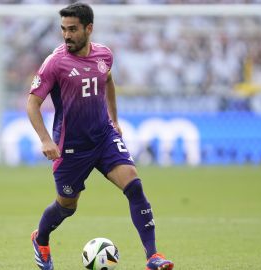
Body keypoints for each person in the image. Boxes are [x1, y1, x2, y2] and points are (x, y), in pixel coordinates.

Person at [26, 3, 174, 270]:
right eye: (63, 29)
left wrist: (114, 119)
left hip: (103, 137)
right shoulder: (55, 63)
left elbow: (108, 81)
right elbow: (32, 103)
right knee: (67, 206)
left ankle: (153, 256)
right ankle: (41, 238)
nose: (67, 35)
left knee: (134, 186)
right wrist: (46, 140)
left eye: (72, 29)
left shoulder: (104, 54)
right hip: (69, 147)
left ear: (88, 28)